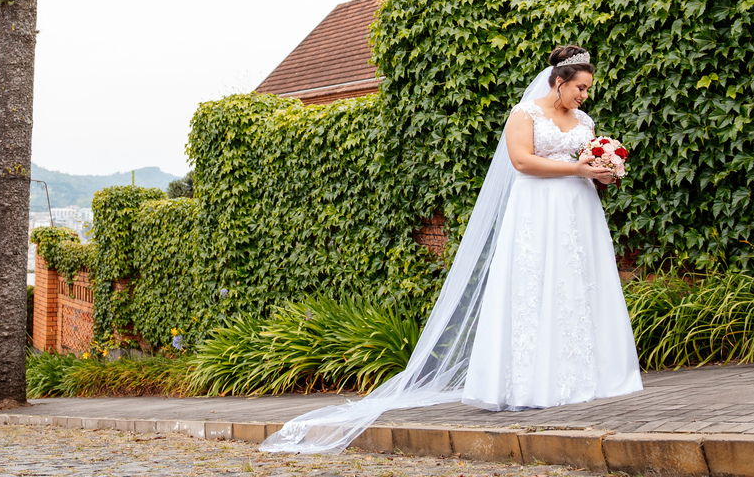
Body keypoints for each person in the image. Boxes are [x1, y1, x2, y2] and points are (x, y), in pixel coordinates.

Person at [260, 45, 642, 454]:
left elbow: (585, 160)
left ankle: (591, 374)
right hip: (537, 209)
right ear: (560, 81)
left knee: (579, 285)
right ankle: (538, 380)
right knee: (537, 286)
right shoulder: (524, 114)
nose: (585, 96)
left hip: (578, 209)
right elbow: (522, 162)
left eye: (587, 89)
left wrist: (602, 172)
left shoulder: (583, 120)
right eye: (580, 88)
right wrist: (577, 168)